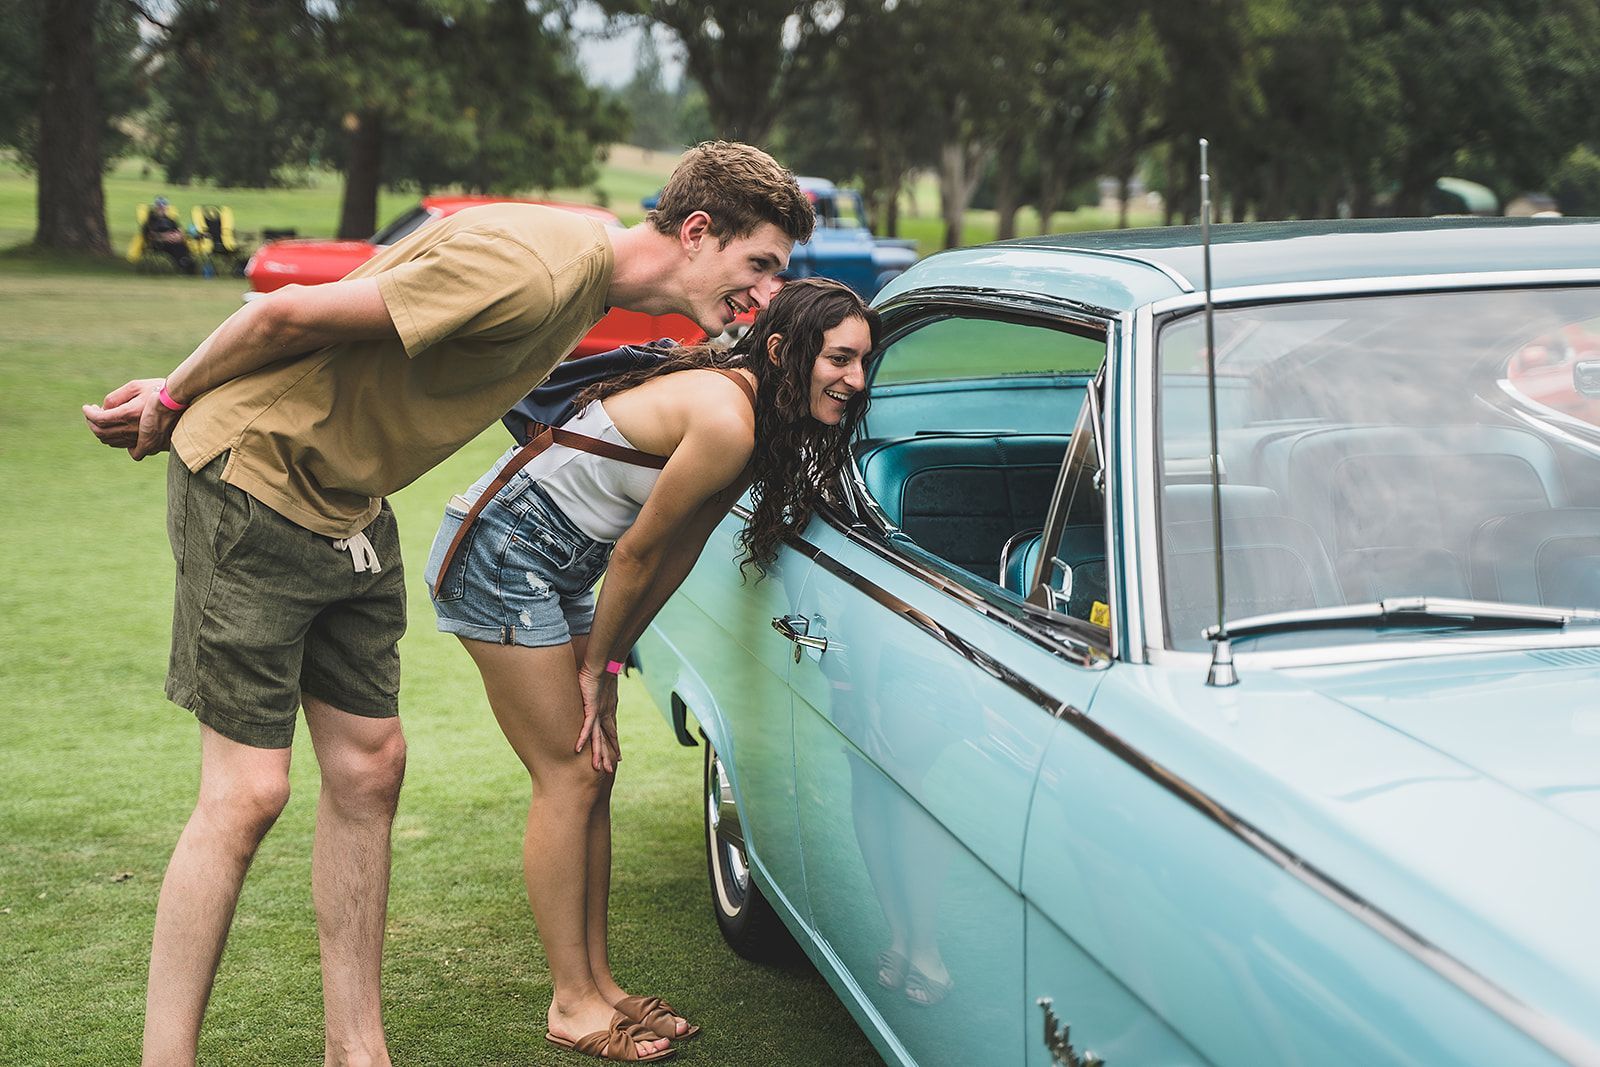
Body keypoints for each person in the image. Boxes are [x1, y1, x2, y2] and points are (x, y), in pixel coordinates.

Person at [80, 141, 815, 1067]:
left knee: (371, 769)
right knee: (249, 793)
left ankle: (358, 1051)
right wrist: (174, 395)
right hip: (256, 482)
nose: (762, 292)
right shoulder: (539, 265)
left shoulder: (581, 280)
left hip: (350, 507)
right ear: (698, 231)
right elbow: (286, 313)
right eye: (759, 264)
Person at [424, 277, 879, 1063]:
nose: (856, 381)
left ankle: (599, 983)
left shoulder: (757, 420)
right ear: (784, 351)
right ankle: (571, 1002)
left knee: (594, 767)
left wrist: (607, 656)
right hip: (503, 552)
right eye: (839, 358)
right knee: (568, 772)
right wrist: (601, 668)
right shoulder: (727, 418)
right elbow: (634, 554)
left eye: (864, 362)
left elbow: (678, 551)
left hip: (556, 562)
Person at [144, 196, 197, 274]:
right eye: (159, 205)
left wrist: (178, 236)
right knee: (177, 248)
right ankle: (183, 265)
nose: (162, 207)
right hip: (159, 243)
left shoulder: (170, 220)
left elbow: (180, 231)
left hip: (174, 241)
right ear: (155, 207)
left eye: (164, 205)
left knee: (183, 246)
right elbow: (150, 235)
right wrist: (165, 237)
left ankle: (187, 264)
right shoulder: (151, 220)